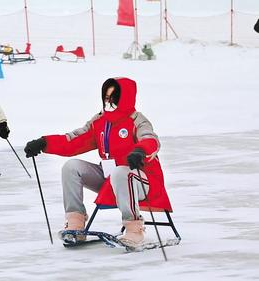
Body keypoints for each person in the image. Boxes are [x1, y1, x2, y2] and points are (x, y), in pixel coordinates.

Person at [24, 77, 171, 247]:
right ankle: (75, 224)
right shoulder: (100, 121)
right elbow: (74, 140)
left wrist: (141, 150)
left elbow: (151, 139)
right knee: (71, 167)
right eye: (106, 97)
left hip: (141, 180)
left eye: (114, 97)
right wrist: (44, 143)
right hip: (110, 179)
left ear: (125, 97)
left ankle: (134, 229)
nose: (109, 101)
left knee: (120, 173)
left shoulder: (137, 120)